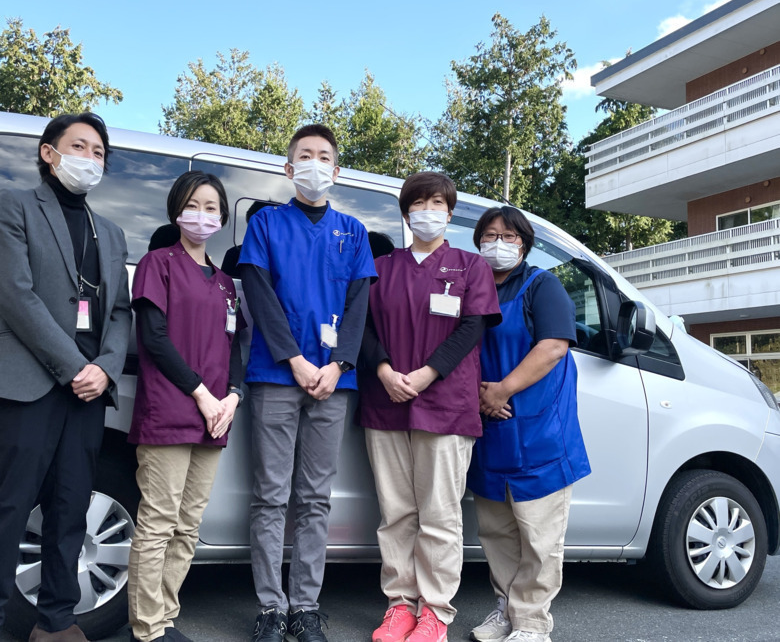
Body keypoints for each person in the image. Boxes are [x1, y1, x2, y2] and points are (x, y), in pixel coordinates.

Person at [0, 113, 132, 642]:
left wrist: (104, 369)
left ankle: (57, 621)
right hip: (29, 383)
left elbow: (121, 313)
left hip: (88, 394)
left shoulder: (111, 231)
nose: (90, 158)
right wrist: (74, 366)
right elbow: (16, 294)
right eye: (78, 146)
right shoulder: (14, 205)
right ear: (48, 153)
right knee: (7, 511)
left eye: (99, 151)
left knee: (70, 510)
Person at [238, 124, 377, 642]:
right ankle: (270, 608)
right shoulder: (267, 225)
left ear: (336, 171)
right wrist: (295, 359)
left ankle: (305, 607)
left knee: (316, 498)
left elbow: (360, 305)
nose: (315, 164)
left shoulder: (354, 231)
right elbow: (258, 294)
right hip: (277, 375)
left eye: (324, 157)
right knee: (271, 496)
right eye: (305, 156)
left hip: (334, 381)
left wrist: (339, 365)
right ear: (289, 167)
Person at [359, 172, 501, 642]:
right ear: (406, 213)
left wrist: (426, 373)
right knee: (396, 513)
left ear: (449, 210)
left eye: (437, 202)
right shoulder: (380, 267)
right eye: (418, 202)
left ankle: (435, 613)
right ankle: (400, 605)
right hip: (387, 402)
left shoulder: (470, 266)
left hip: (444, 404)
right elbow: (362, 328)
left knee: (439, 515)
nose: (427, 210)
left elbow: (472, 328)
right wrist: (383, 370)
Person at [127, 171, 246, 642]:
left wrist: (233, 396)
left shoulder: (225, 284)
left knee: (187, 527)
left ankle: (167, 615)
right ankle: (147, 627)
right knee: (157, 523)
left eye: (213, 207)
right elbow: (153, 339)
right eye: (194, 205)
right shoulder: (157, 264)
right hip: (172, 411)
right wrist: (201, 393)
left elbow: (235, 347)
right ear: (177, 208)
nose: (203, 214)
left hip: (215, 417)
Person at [466, 206, 590, 642]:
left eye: (509, 236)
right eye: (490, 235)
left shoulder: (542, 285)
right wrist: (481, 395)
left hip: (539, 431)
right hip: (488, 430)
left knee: (539, 536)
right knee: (497, 533)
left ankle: (534, 624)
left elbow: (554, 346)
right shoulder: (471, 287)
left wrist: (501, 391)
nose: (498, 243)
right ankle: (506, 610)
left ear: (524, 243)